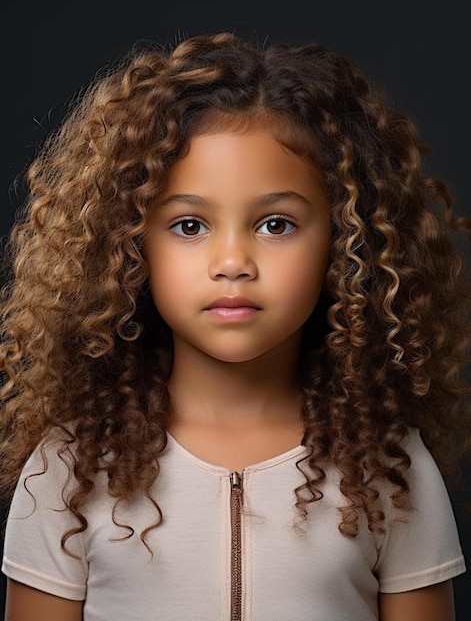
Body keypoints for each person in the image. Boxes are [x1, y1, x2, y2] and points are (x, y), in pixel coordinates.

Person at [0, 31, 469, 621]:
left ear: (344, 244)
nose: (232, 263)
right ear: (129, 246)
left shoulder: (389, 467)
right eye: (190, 225)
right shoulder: (68, 469)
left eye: (275, 225)